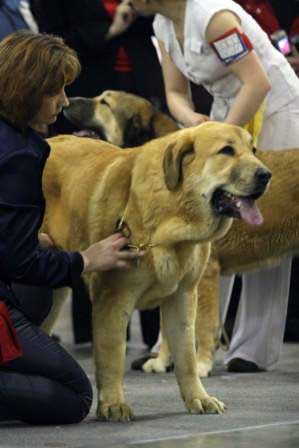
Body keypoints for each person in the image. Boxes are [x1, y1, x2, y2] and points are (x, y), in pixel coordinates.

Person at [129, 0, 299, 373]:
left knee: (267, 227)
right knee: (206, 229)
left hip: (274, 108)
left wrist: (224, 146)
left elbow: (258, 82)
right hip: (226, 119)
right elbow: (175, 93)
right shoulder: (162, 25)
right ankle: (183, 344)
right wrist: (192, 123)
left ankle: (252, 350)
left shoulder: (213, 17)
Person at [0, 30, 143, 425]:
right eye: (55, 91)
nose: (64, 102)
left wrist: (24, 237)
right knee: (75, 396)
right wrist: (85, 259)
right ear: (26, 89)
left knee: (36, 298)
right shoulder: (19, 156)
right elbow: (21, 266)